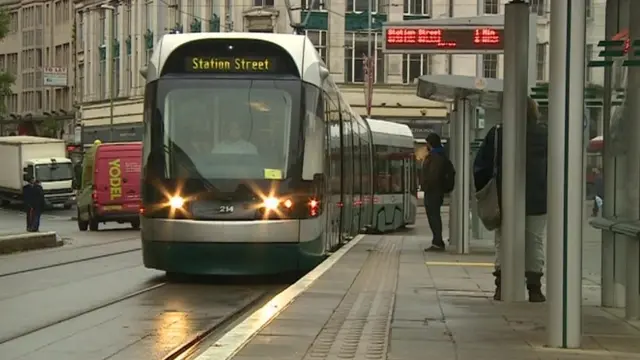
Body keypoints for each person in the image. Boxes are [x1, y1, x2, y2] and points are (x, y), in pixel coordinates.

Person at [473, 97, 548, 302]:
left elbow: (481, 167)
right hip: (539, 198)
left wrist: (487, 189)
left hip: (504, 195)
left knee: (503, 240)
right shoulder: (545, 134)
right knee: (534, 241)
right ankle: (534, 288)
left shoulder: (497, 133)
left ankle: (502, 285)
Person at [421, 133, 452, 252]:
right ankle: (437, 241)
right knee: (433, 216)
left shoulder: (436, 156)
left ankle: (437, 242)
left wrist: (426, 185)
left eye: (427, 143)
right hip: (434, 190)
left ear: (431, 143)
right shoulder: (437, 155)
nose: (426, 145)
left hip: (433, 191)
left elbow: (433, 175)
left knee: (434, 216)